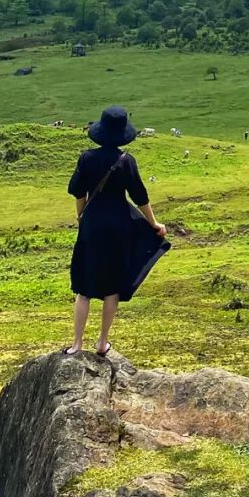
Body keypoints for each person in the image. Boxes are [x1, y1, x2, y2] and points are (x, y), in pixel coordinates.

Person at [64, 105, 166, 357]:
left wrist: (81, 215)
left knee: (84, 288)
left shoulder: (86, 158)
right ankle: (102, 343)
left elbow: (78, 191)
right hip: (119, 225)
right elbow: (140, 196)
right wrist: (154, 224)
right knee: (112, 287)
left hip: (92, 224)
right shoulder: (126, 161)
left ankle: (76, 344)